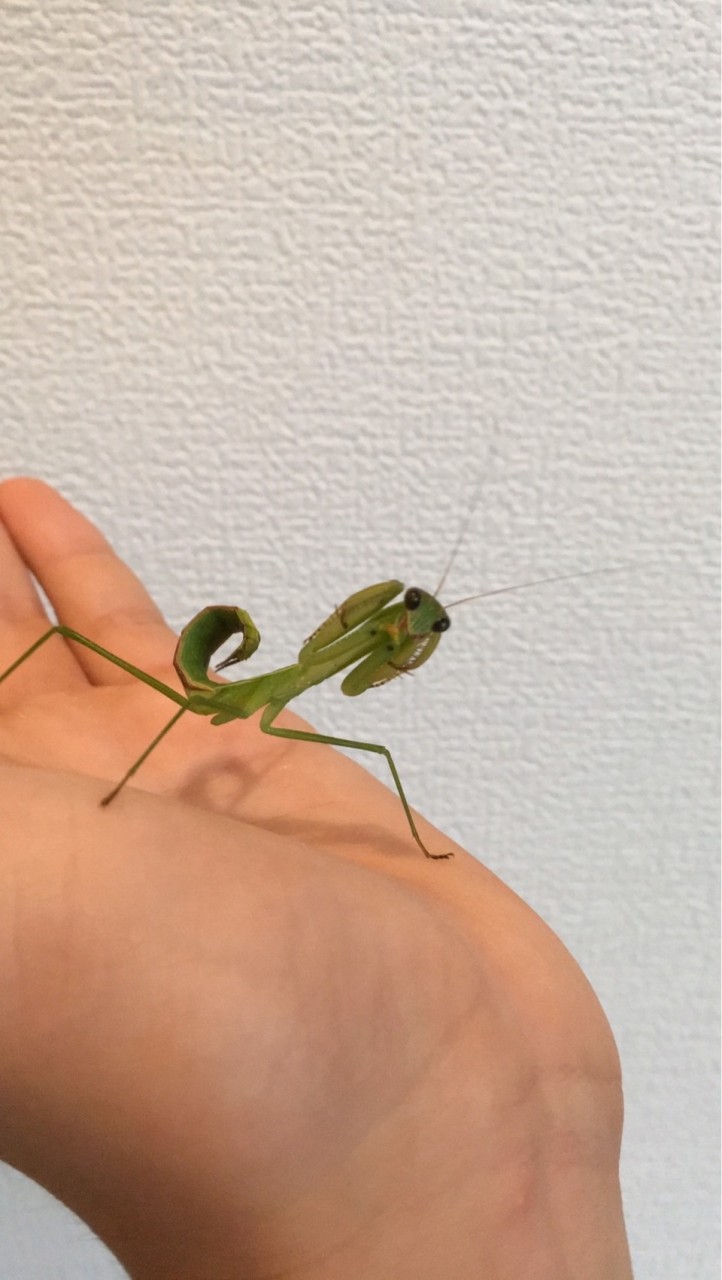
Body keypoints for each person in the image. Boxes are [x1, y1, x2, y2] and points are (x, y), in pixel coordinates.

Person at [0, 478, 633, 1279]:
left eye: (426, 626)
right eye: (416, 615)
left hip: (254, 688)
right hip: (214, 681)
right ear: (392, 615)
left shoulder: (344, 664)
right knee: (93, 649)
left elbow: (355, 675)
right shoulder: (301, 673)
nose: (420, 626)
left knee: (379, 753)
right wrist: (120, 789)